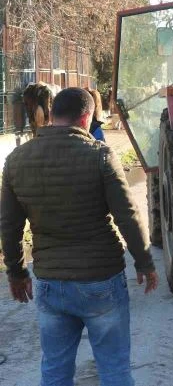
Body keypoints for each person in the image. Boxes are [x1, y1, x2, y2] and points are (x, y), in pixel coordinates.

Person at [1, 88, 158, 385]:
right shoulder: (99, 155)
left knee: (55, 371)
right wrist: (145, 262)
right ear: (86, 118)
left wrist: (17, 272)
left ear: (51, 115)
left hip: (49, 282)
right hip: (101, 280)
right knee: (114, 369)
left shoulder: (16, 160)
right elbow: (127, 215)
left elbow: (8, 226)